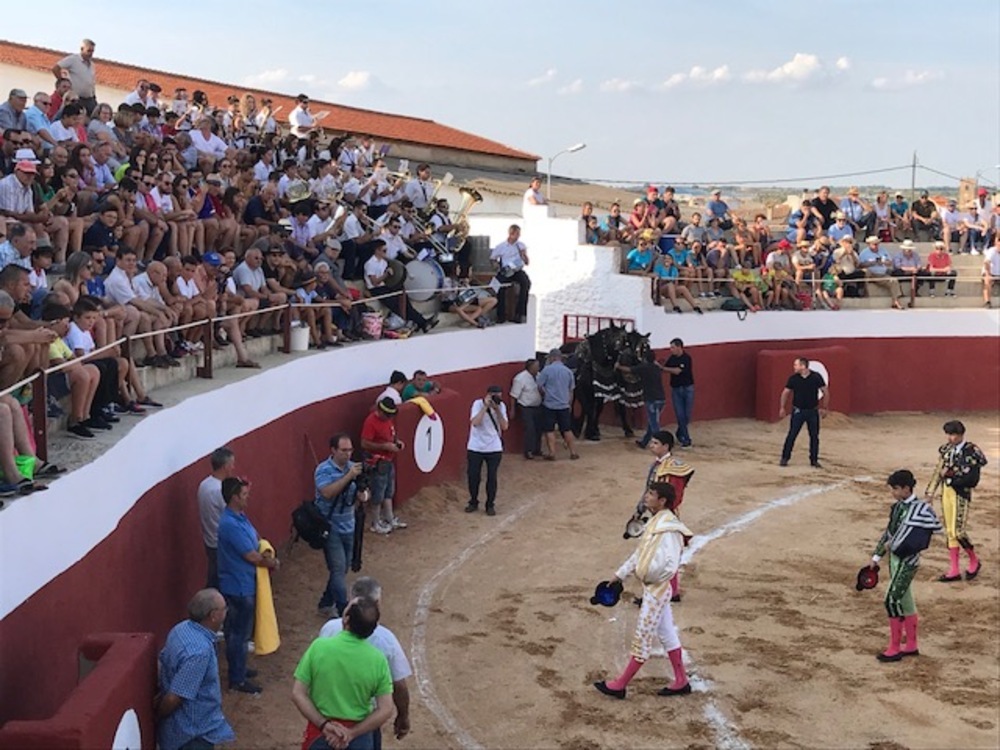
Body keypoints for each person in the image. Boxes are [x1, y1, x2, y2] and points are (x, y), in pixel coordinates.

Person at [594, 482, 693, 700]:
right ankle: (681, 680)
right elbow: (640, 554)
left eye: (651, 494)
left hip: (657, 590)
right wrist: (619, 575)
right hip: (655, 588)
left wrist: (649, 577)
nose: (646, 497)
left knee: (643, 636)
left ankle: (620, 685)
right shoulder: (657, 522)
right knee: (667, 633)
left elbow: (669, 563)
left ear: (662, 501)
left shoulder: (669, 529)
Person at [318, 577, 412, 746]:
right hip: (364, 721)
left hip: (326, 717)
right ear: (377, 604)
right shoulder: (386, 640)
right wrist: (403, 716)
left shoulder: (329, 629)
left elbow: (301, 688)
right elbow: (399, 686)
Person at [292, 597, 393, 750]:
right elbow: (385, 709)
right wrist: (351, 733)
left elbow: (298, 693)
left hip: (320, 735)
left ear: (346, 619)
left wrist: (324, 725)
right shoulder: (378, 660)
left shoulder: (319, 647)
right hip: (359, 738)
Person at [866, 470, 942, 662]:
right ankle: (911, 645)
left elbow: (929, 533)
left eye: (895, 488)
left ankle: (894, 647)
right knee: (905, 602)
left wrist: (899, 544)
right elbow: (889, 534)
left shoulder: (921, 510)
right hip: (894, 560)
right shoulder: (898, 507)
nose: (892, 492)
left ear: (906, 488)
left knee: (891, 600)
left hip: (908, 562)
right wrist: (876, 556)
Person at [217, 476, 279, 694]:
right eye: (244, 495)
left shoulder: (237, 517)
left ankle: (239, 668)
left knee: (239, 632)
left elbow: (255, 542)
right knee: (237, 633)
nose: (247, 498)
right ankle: (237, 677)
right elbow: (252, 556)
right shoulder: (230, 524)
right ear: (234, 497)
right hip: (238, 586)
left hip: (241, 582)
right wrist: (271, 562)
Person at [156, 588, 235, 750]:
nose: (226, 612)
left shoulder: (181, 629)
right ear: (213, 615)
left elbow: (162, 661)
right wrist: (158, 716)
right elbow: (174, 698)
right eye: (223, 609)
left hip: (183, 730)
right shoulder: (199, 652)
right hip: (191, 734)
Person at [315, 433, 369, 617]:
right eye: (344, 450)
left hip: (349, 524)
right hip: (331, 527)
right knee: (338, 568)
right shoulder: (323, 470)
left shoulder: (354, 468)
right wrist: (349, 476)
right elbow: (327, 493)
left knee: (344, 567)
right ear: (333, 450)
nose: (348, 454)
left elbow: (362, 489)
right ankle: (342, 608)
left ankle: (325, 601)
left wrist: (364, 495)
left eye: (350, 450)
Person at [931, 420, 988, 583]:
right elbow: (938, 471)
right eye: (948, 434)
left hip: (961, 493)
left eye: (953, 434)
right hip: (946, 491)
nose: (950, 438)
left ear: (961, 434)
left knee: (958, 531)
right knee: (950, 531)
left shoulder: (971, 451)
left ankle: (974, 561)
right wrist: (930, 492)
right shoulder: (946, 449)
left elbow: (972, 478)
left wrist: (950, 475)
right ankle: (954, 569)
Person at [360, 398, 406, 535]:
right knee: (378, 492)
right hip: (377, 462)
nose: (389, 417)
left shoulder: (386, 420)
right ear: (380, 411)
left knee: (388, 491)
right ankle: (375, 522)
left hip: (387, 461)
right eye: (387, 415)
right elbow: (364, 443)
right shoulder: (371, 422)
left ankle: (389, 518)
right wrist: (384, 446)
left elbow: (391, 435)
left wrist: (397, 442)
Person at [465, 385, 508, 516]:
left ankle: (490, 504)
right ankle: (473, 501)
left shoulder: (502, 406)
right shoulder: (477, 404)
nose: (497, 398)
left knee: (492, 476)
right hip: (476, 446)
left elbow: (504, 426)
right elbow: (475, 422)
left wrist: (497, 410)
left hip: (494, 447)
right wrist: (485, 407)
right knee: (473, 476)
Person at [779, 357, 828, 468]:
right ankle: (785, 458)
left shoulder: (816, 377)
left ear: (803, 366)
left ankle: (814, 460)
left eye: (796, 365)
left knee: (814, 436)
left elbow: (825, 391)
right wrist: (782, 407)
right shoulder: (793, 378)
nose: (794, 367)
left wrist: (824, 407)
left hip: (812, 411)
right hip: (798, 411)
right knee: (792, 435)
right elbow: (785, 392)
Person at [198, 447, 236, 590]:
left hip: (210, 539)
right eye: (231, 464)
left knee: (214, 577)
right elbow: (234, 513)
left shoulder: (204, 484)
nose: (233, 467)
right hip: (221, 542)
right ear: (225, 467)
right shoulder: (221, 491)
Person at [615, 350, 665, 449]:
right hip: (661, 398)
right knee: (652, 422)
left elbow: (629, 370)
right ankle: (644, 442)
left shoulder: (644, 367)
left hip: (651, 399)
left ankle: (661, 445)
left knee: (654, 423)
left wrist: (618, 366)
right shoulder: (657, 368)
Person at [536, 348, 578, 461]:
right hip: (564, 405)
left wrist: (544, 394)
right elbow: (571, 391)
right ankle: (573, 452)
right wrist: (569, 404)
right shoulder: (568, 371)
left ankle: (552, 453)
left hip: (549, 404)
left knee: (549, 430)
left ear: (552, 358)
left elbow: (539, 386)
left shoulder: (546, 370)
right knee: (567, 429)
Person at [490, 224, 530, 324]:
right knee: (498, 286)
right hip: (506, 270)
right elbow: (493, 259)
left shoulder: (521, 245)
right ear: (511, 234)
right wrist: (496, 266)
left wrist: (523, 255)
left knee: (525, 283)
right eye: (516, 234)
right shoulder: (501, 246)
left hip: (516, 270)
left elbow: (527, 262)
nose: (518, 237)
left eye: (519, 234)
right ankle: (501, 315)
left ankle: (520, 313)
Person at [661, 339, 694, 448]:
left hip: (687, 388)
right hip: (676, 389)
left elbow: (677, 371)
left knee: (686, 416)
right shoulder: (672, 358)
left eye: (673, 347)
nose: (671, 350)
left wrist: (663, 368)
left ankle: (680, 433)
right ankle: (686, 438)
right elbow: (666, 368)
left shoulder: (686, 358)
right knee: (680, 415)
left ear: (679, 347)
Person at [509, 358, 542, 459]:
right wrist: (512, 409)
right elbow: (514, 396)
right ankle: (528, 451)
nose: (538, 368)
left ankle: (537, 449)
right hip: (525, 406)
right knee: (530, 429)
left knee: (538, 429)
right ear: (530, 367)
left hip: (537, 406)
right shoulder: (520, 378)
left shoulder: (539, 376)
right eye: (536, 366)